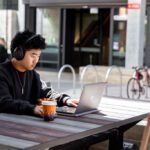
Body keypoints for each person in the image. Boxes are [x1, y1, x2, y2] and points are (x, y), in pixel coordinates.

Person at [0, 30, 78, 117]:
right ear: (18, 52)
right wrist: (33, 108)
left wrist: (65, 100)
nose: (36, 60)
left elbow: (45, 91)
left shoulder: (32, 74)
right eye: (33, 55)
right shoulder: (2, 73)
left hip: (26, 124)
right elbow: (4, 102)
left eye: (38, 56)